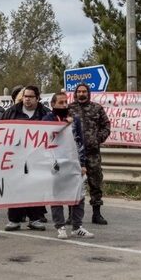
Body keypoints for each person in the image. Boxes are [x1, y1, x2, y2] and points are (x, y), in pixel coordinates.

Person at [44, 92, 94, 238]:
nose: (64, 105)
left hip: (73, 162)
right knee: (57, 195)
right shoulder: (47, 119)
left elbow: (80, 141)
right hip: (56, 163)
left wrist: (83, 163)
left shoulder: (75, 120)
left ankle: (77, 226)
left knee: (78, 194)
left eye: (66, 102)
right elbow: (46, 137)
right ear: (53, 104)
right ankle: (60, 226)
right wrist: (64, 125)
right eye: (60, 102)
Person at [1, 85, 51, 231]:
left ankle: (35, 218)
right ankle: (14, 219)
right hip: (16, 156)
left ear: (37, 98)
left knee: (35, 187)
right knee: (16, 186)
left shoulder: (45, 113)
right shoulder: (12, 112)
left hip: (37, 157)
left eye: (30, 97)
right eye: (25, 96)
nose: (27, 99)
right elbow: (2, 129)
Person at [69, 82, 111, 225]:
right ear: (75, 93)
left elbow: (106, 125)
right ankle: (71, 215)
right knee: (73, 183)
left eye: (84, 91)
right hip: (74, 153)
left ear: (88, 93)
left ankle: (97, 214)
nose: (81, 94)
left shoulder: (97, 108)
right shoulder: (69, 109)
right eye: (79, 91)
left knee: (95, 182)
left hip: (92, 153)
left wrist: (98, 139)